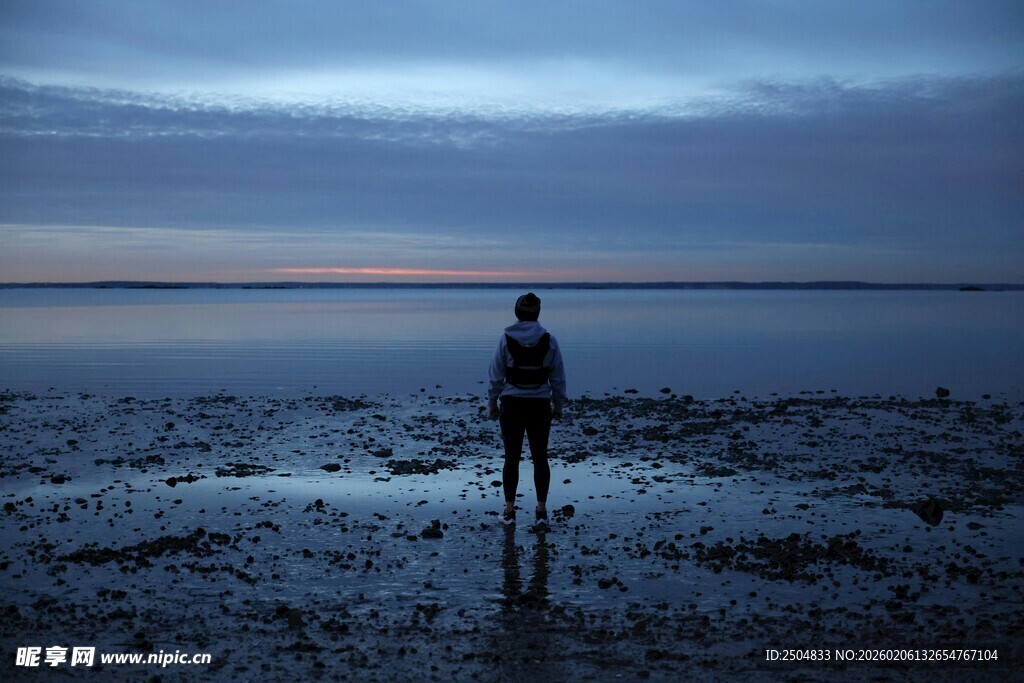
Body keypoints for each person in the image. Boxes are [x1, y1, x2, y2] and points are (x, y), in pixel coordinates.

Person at [488, 292, 566, 528]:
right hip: (539, 405)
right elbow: (558, 377)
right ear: (537, 314)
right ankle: (541, 512)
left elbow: (495, 375)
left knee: (511, 458)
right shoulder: (549, 340)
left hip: (512, 404)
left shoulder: (505, 339)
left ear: (517, 312)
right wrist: (558, 405)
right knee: (540, 457)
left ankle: (509, 511)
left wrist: (492, 403)